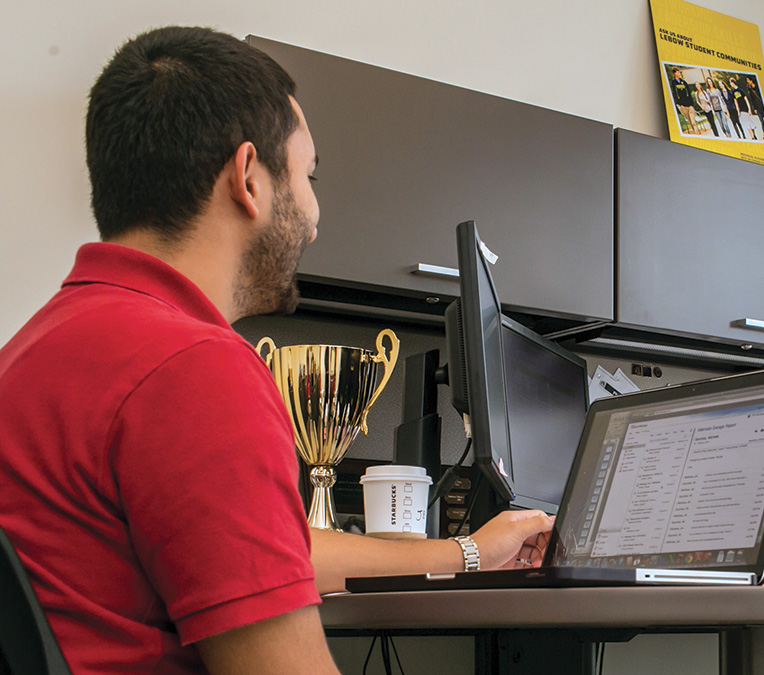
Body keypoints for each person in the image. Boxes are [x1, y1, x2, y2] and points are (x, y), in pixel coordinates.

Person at [0, 26, 552, 674]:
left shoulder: (33, 354)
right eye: (307, 174)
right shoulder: (195, 370)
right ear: (249, 180)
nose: (316, 214)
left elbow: (265, 552)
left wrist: (468, 553)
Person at [669, 68, 698, 134]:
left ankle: (697, 132)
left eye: (679, 72)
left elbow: (689, 92)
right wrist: (679, 104)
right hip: (683, 105)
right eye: (678, 72)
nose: (679, 74)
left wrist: (691, 103)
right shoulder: (673, 83)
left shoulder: (684, 82)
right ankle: (694, 131)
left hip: (689, 104)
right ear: (675, 73)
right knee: (689, 120)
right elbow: (674, 93)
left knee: (693, 121)